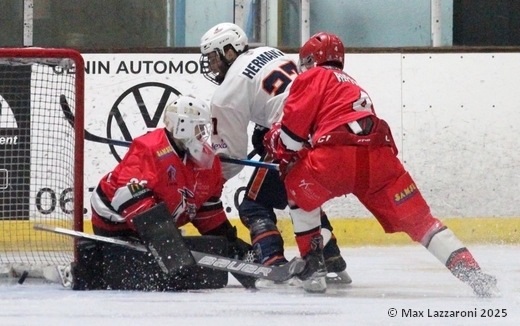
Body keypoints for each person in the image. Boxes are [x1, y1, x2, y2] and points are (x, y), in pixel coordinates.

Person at [263, 32, 498, 296]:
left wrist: (275, 142)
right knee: (422, 223)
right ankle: (475, 275)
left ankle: (313, 264)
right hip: (379, 161)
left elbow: (291, 140)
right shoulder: (353, 84)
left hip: (335, 160)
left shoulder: (313, 77)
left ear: (312, 59)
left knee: (294, 181)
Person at [199, 22, 350, 285]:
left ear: (229, 52)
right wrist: (264, 132)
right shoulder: (270, 51)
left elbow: (230, 158)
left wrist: (206, 183)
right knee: (301, 195)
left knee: (253, 205)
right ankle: (331, 257)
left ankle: (272, 264)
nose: (211, 66)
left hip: (296, 131)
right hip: (329, 127)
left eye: (213, 57)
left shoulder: (227, 92)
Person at [72, 95, 253, 290]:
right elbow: (127, 197)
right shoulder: (149, 148)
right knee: (150, 276)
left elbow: (206, 210)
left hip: (159, 229)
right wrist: (167, 244)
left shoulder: (206, 162)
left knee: (190, 277)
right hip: (117, 224)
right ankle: (93, 265)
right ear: (183, 126)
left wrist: (230, 244)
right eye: (199, 128)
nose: (203, 135)